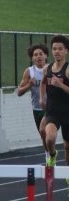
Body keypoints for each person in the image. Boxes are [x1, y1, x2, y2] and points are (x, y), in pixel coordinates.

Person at [39, 35, 69, 175]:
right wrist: (41, 97)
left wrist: (60, 85)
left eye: (60, 49)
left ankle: (68, 174)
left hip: (67, 112)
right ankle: (52, 155)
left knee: (67, 147)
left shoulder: (68, 69)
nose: (57, 51)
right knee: (49, 137)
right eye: (54, 49)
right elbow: (43, 82)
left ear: (66, 51)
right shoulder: (47, 68)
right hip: (53, 111)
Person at [17, 44, 48, 160]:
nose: (38, 57)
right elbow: (19, 92)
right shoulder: (29, 71)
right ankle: (49, 154)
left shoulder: (51, 69)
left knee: (45, 131)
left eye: (41, 54)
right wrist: (29, 84)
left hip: (50, 108)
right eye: (35, 55)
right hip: (37, 109)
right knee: (43, 135)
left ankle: (50, 156)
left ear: (46, 56)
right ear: (32, 58)